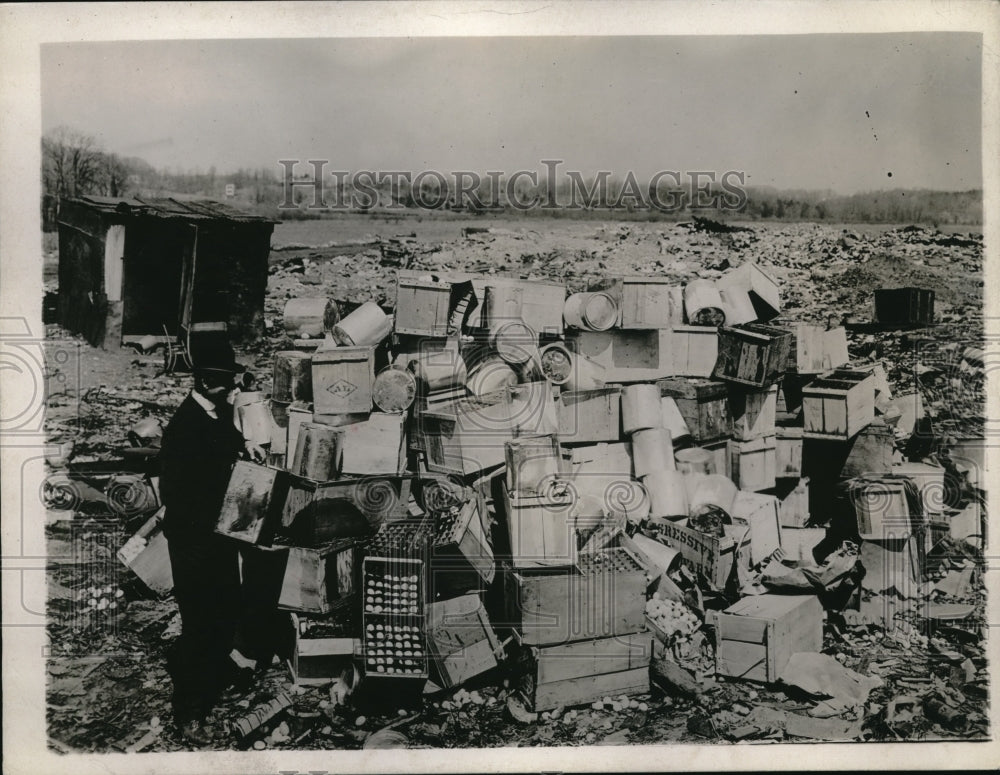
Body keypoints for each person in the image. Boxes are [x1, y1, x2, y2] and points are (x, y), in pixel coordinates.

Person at [158, 337, 263, 745]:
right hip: (194, 543)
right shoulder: (185, 427)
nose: (232, 389)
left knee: (224, 611)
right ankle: (189, 710)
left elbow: (228, 448)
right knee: (200, 625)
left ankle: (215, 678)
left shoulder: (214, 414)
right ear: (203, 381)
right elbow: (177, 494)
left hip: (216, 537)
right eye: (225, 382)